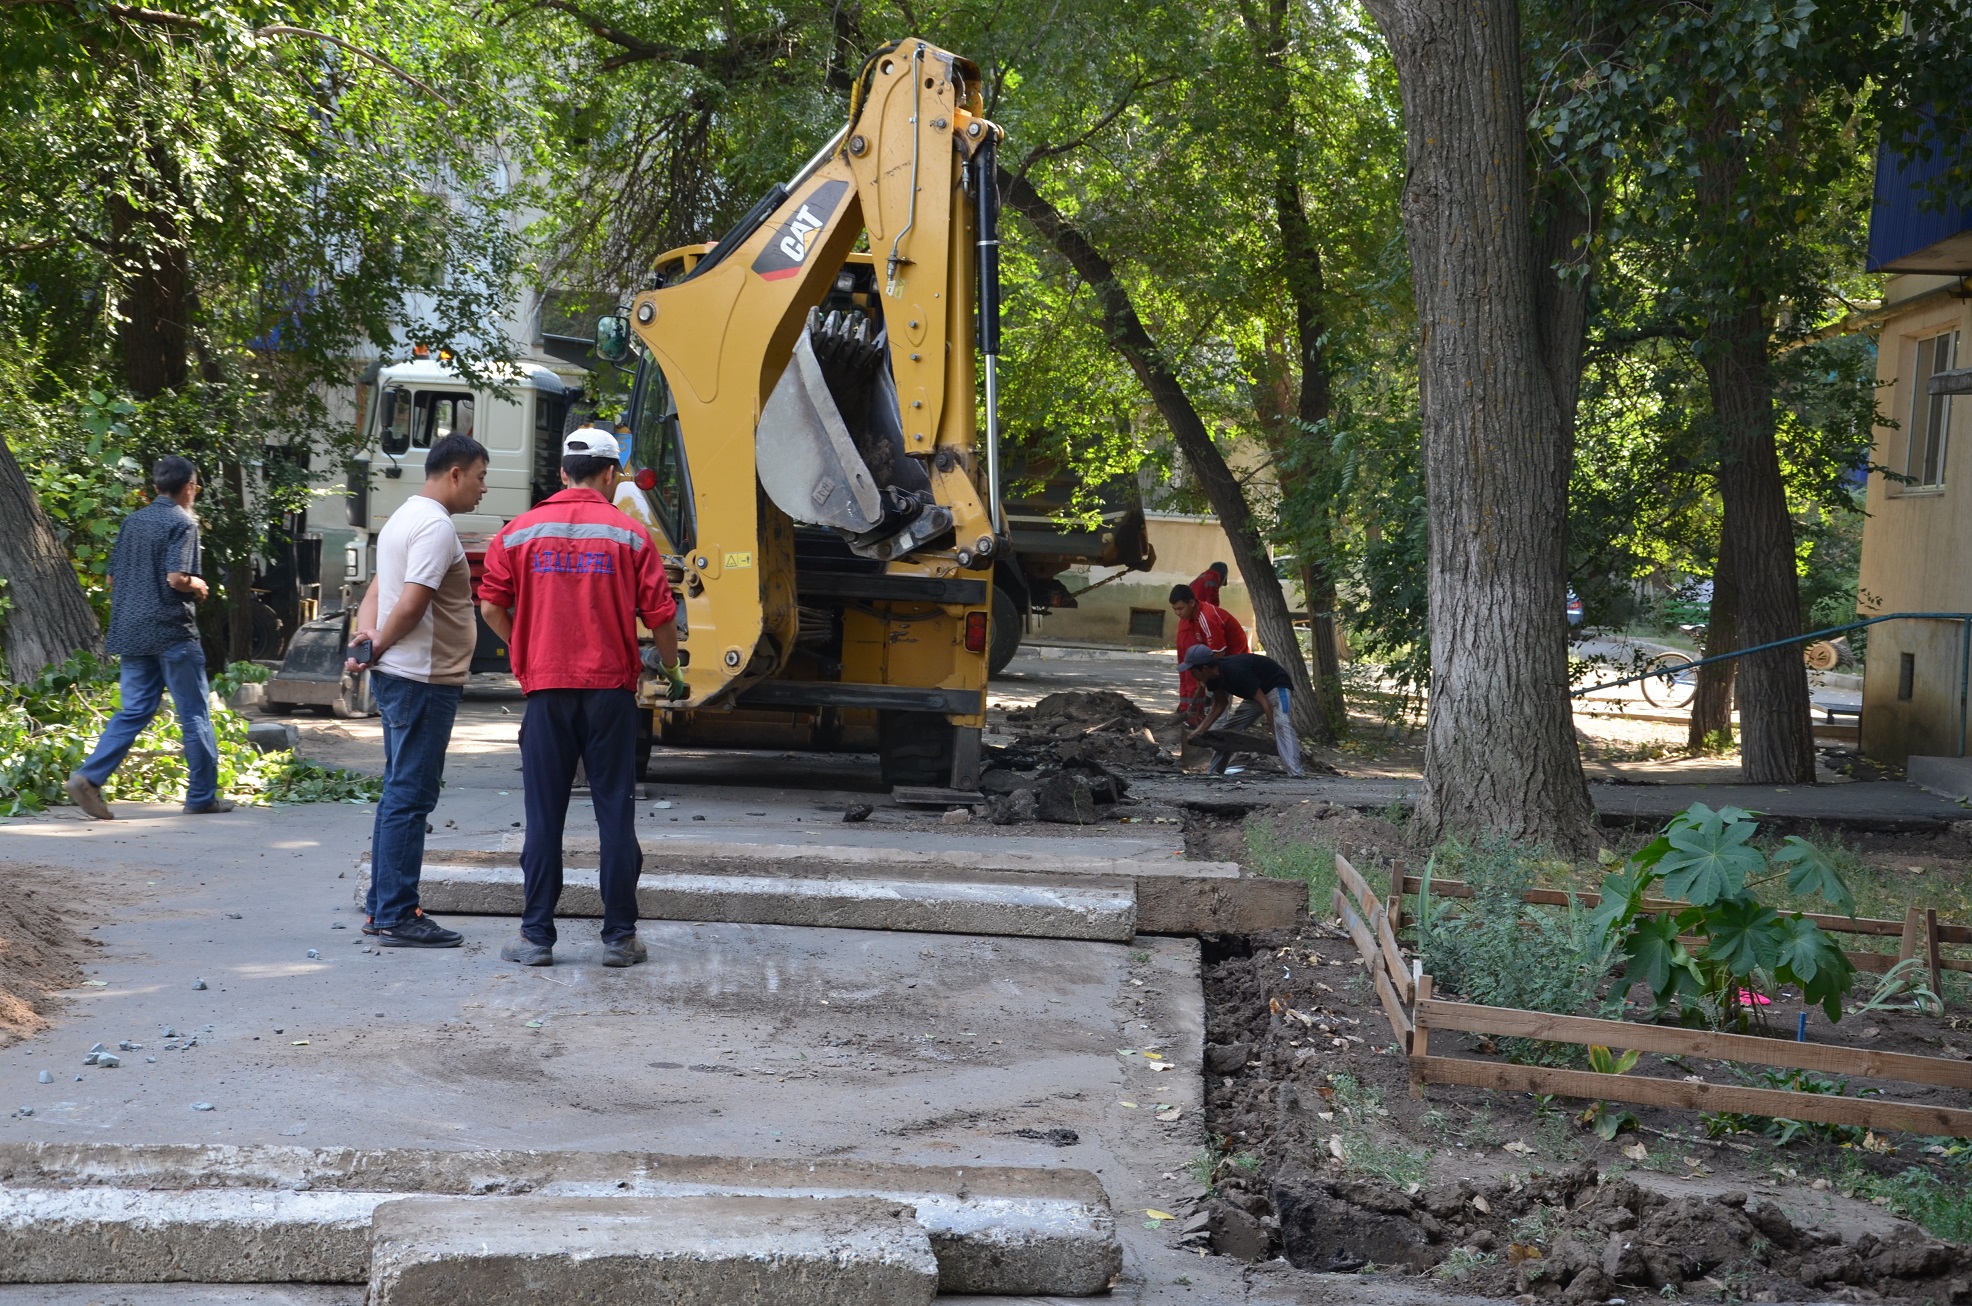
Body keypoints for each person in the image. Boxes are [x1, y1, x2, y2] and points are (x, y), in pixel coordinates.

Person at [478, 428, 686, 969]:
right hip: (610, 693)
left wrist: (525, 645)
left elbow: (491, 607)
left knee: (543, 816)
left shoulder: (519, 533)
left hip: (547, 692)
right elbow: (662, 619)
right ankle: (619, 938)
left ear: (562, 473)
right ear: (611, 474)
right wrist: (673, 665)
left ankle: (536, 937)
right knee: (614, 812)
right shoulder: (631, 535)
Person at [343, 434, 490, 949]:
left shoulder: (402, 517)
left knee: (399, 792)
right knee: (411, 796)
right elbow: (410, 603)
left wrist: (366, 637)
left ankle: (384, 908)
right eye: (479, 477)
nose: (483, 489)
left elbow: (377, 592)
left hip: (402, 676)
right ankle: (398, 913)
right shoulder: (434, 526)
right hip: (422, 681)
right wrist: (379, 643)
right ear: (454, 473)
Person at [66, 456, 231, 819]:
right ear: (189, 487)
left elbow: (111, 580)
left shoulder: (132, 522)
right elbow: (176, 578)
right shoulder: (182, 522)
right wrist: (198, 583)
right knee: (194, 714)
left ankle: (89, 777)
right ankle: (202, 795)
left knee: (134, 710)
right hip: (172, 631)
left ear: (156, 487)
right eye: (195, 487)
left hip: (130, 629)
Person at [1182, 645, 1304, 779]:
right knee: (1226, 733)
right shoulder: (1212, 679)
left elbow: (1265, 703)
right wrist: (1198, 732)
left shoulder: (1236, 671)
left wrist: (1272, 726)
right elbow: (1219, 705)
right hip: (1256, 696)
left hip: (1276, 687)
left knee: (1282, 723)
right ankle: (1215, 773)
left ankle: (1296, 774)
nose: (1192, 676)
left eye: (1193, 672)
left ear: (1204, 669)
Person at [1169, 583, 1248, 728]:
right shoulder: (1193, 617)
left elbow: (1219, 653)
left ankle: (1217, 736)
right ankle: (1210, 731)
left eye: (1180, 609)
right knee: (1212, 698)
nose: (1178, 613)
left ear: (1191, 603)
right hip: (1220, 661)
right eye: (1175, 610)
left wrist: (1206, 677)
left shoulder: (1207, 617)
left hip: (1233, 659)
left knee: (1218, 702)